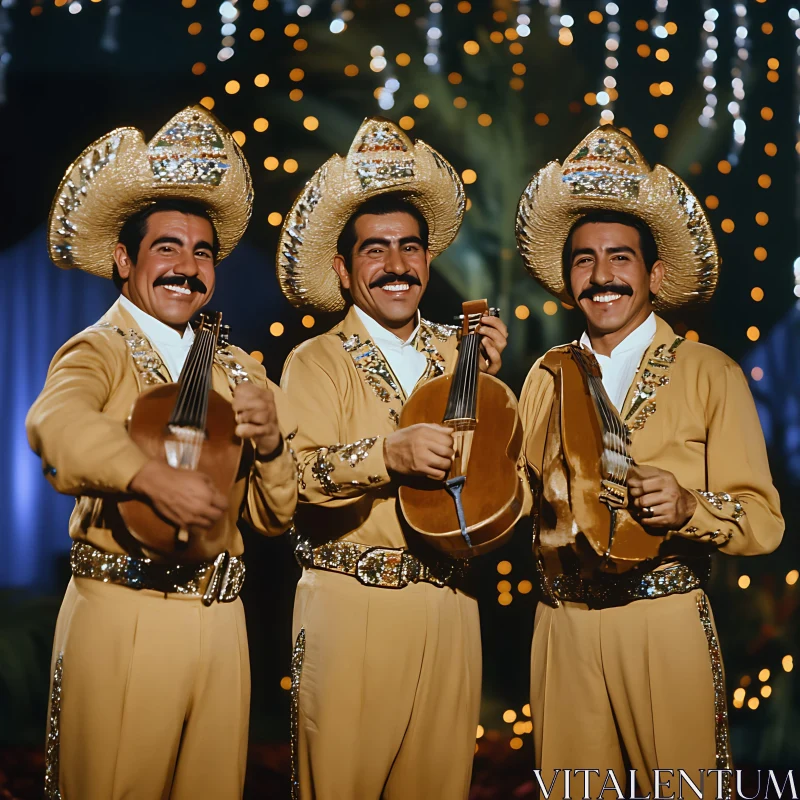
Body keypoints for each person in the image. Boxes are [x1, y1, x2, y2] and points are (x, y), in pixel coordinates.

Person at [27, 106, 297, 800]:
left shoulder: (242, 368)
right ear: (125, 260)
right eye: (167, 248)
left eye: (202, 251)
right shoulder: (100, 349)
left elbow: (275, 516)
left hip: (221, 623)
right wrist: (147, 475)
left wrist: (269, 445)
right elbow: (54, 424)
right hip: (126, 612)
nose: (187, 266)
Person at [515, 125, 784, 799]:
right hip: (563, 626)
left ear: (654, 274)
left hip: (663, 620)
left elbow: (764, 521)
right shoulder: (544, 375)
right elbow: (512, 499)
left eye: (619, 259)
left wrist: (694, 508)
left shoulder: (709, 374)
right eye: (584, 260)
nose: (601, 276)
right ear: (567, 275)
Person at [277, 117, 518, 799]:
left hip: (451, 606)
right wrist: (388, 455)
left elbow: (504, 486)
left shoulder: (462, 353)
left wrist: (495, 396)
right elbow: (294, 481)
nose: (396, 265)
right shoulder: (314, 360)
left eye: (410, 248)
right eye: (375, 250)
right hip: (351, 606)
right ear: (343, 269)